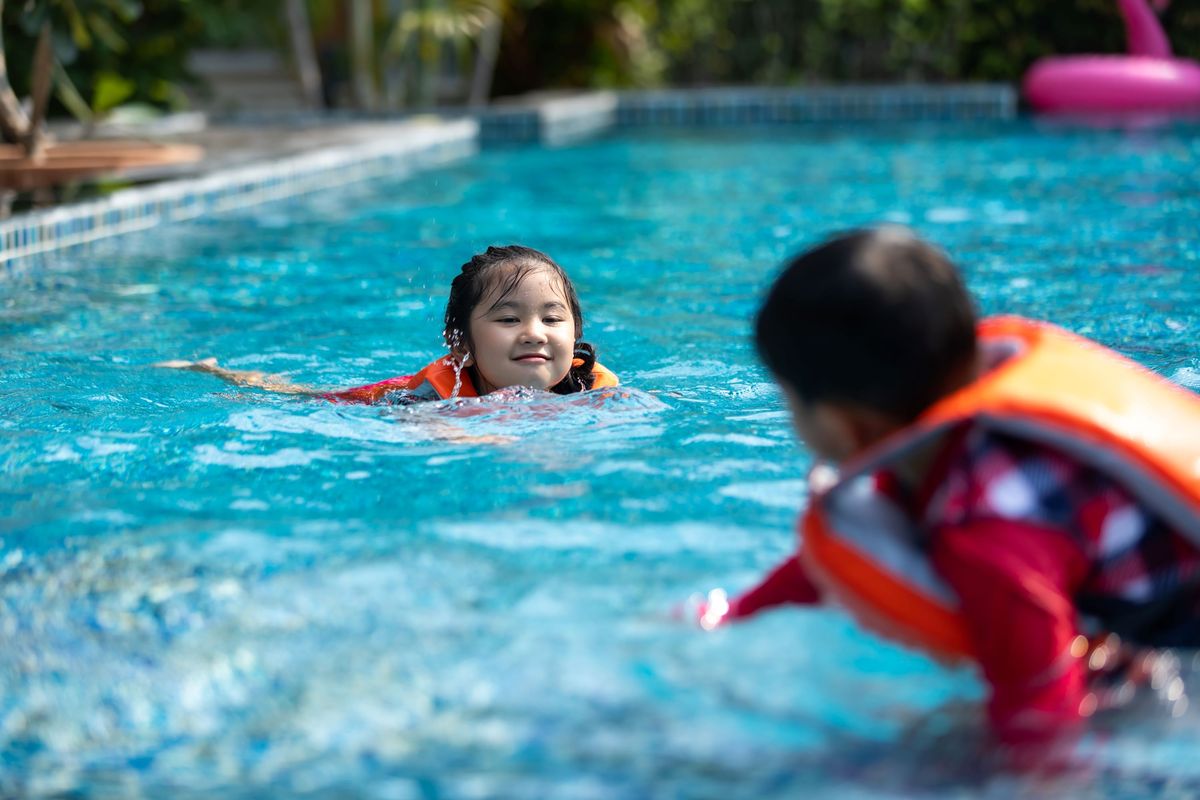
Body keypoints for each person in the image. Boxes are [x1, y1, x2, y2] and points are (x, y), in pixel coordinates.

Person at [700, 226, 1200, 754]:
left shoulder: (986, 533)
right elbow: (848, 548)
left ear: (846, 425)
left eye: (790, 401)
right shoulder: (950, 439)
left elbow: (1042, 721)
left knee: (925, 757)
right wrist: (733, 616)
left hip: (1181, 669)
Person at [158, 245, 618, 403]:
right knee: (297, 395)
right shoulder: (433, 395)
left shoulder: (590, 384)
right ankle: (215, 368)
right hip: (378, 398)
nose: (534, 331)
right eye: (509, 318)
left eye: (553, 318)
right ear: (462, 346)